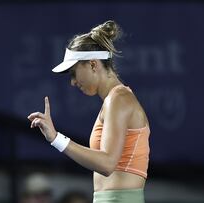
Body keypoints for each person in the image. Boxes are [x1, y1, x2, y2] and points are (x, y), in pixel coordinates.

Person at [27, 20, 150, 203]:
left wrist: (56, 139)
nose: (73, 82)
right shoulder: (115, 100)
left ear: (93, 64)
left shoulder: (118, 99)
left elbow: (107, 164)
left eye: (74, 73)